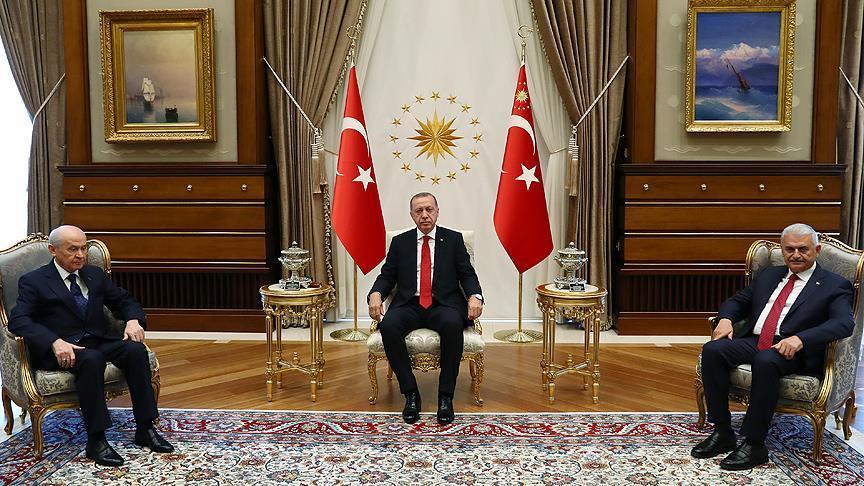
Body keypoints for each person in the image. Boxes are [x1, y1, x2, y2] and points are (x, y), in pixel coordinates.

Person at [691, 223, 854, 470]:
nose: (796, 255)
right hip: (757, 341)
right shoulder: (770, 275)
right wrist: (725, 319)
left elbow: (844, 323)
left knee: (765, 360)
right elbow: (737, 301)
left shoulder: (834, 284)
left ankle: (755, 443)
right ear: (782, 249)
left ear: (817, 250)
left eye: (803, 249)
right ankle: (723, 431)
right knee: (713, 350)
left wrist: (801, 339)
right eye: (789, 249)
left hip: (795, 350)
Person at [9, 225, 173, 467]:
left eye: (84, 248)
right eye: (72, 250)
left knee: (135, 350)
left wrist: (132, 320)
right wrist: (53, 341)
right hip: (63, 348)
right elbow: (18, 320)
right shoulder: (34, 281)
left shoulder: (94, 274)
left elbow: (125, 300)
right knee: (92, 360)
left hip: (98, 340)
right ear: (53, 250)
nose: (81, 255)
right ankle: (96, 439)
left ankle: (145, 428)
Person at [368, 193, 483, 425]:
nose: (424, 215)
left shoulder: (453, 240)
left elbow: (467, 274)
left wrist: (475, 296)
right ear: (411, 215)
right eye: (418, 211)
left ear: (437, 211)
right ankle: (411, 394)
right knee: (389, 326)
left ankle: (445, 397)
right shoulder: (400, 242)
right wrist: (376, 293)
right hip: (409, 304)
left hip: (444, 304)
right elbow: (387, 275)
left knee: (452, 324)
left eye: (429, 209)